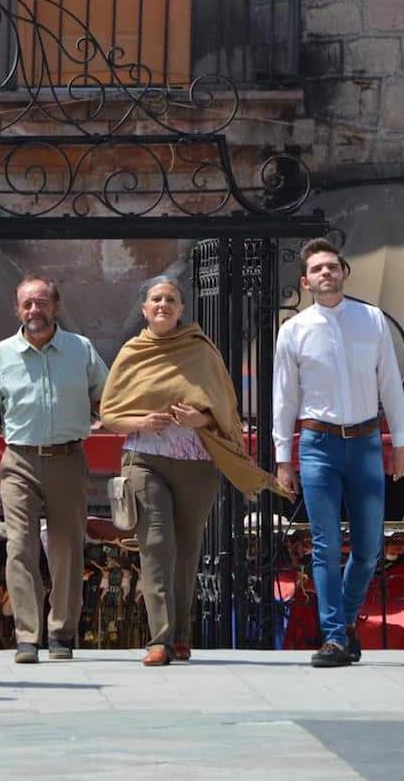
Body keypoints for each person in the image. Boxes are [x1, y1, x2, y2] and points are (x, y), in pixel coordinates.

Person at [98, 276, 290, 666]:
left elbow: (225, 411)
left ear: (182, 309)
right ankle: (160, 640)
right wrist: (141, 422)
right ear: (145, 309)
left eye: (171, 299)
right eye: (156, 299)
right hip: (144, 461)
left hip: (196, 465)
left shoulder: (201, 352)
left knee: (186, 553)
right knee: (155, 546)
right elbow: (109, 413)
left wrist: (198, 416)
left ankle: (182, 637)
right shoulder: (132, 352)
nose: (163, 305)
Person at [273, 238, 404, 668]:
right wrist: (283, 459)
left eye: (332, 266)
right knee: (326, 546)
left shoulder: (371, 319)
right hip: (317, 445)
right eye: (317, 269)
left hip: (366, 443)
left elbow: (390, 382)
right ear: (305, 281)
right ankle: (333, 636)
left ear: (345, 272)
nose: (326, 273)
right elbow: (284, 399)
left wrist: (400, 442)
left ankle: (346, 622)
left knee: (369, 548)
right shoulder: (293, 330)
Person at [0, 275, 109, 664]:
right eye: (27, 303)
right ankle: (27, 637)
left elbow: (107, 398)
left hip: (68, 459)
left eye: (41, 302)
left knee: (66, 549)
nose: (34, 310)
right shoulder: (2, 354)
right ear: (18, 309)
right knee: (20, 547)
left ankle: (62, 635)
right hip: (19, 462)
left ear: (55, 306)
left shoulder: (81, 350)